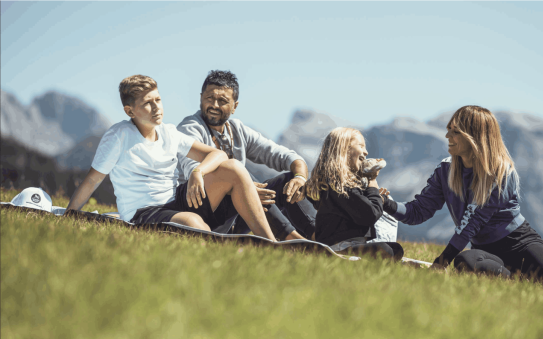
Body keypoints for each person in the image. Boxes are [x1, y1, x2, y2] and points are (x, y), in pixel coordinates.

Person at [383, 105, 543, 295]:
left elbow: (473, 222)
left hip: (520, 244)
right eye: (448, 130)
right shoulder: (445, 170)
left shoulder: (500, 172)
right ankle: (515, 280)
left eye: (455, 131)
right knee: (465, 262)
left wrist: (440, 262)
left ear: (474, 136)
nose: (448, 136)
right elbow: (418, 211)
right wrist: (388, 205)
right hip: (488, 250)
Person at [65, 75, 275, 240]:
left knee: (234, 168)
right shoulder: (118, 136)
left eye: (158, 99)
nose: (157, 107)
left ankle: (270, 243)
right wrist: (70, 214)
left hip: (177, 200)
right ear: (130, 111)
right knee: (193, 222)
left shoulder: (168, 132)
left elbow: (217, 154)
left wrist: (198, 171)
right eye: (148, 103)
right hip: (143, 212)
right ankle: (216, 243)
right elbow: (93, 179)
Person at [176, 70, 316, 241]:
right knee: (238, 171)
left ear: (235, 106)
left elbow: (286, 156)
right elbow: (197, 177)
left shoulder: (237, 130)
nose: (214, 105)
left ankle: (319, 238)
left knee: (288, 182)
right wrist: (244, 188)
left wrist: (300, 177)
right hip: (200, 211)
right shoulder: (190, 128)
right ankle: (289, 239)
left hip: (236, 216)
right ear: (200, 98)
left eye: (222, 101)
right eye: (209, 98)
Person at [305, 127, 403, 260]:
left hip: (350, 244)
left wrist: (374, 195)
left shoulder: (334, 182)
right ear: (344, 149)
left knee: (395, 249)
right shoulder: (340, 184)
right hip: (339, 246)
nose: (366, 152)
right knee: (386, 250)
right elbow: (370, 214)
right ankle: (343, 257)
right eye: (361, 146)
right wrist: (372, 181)